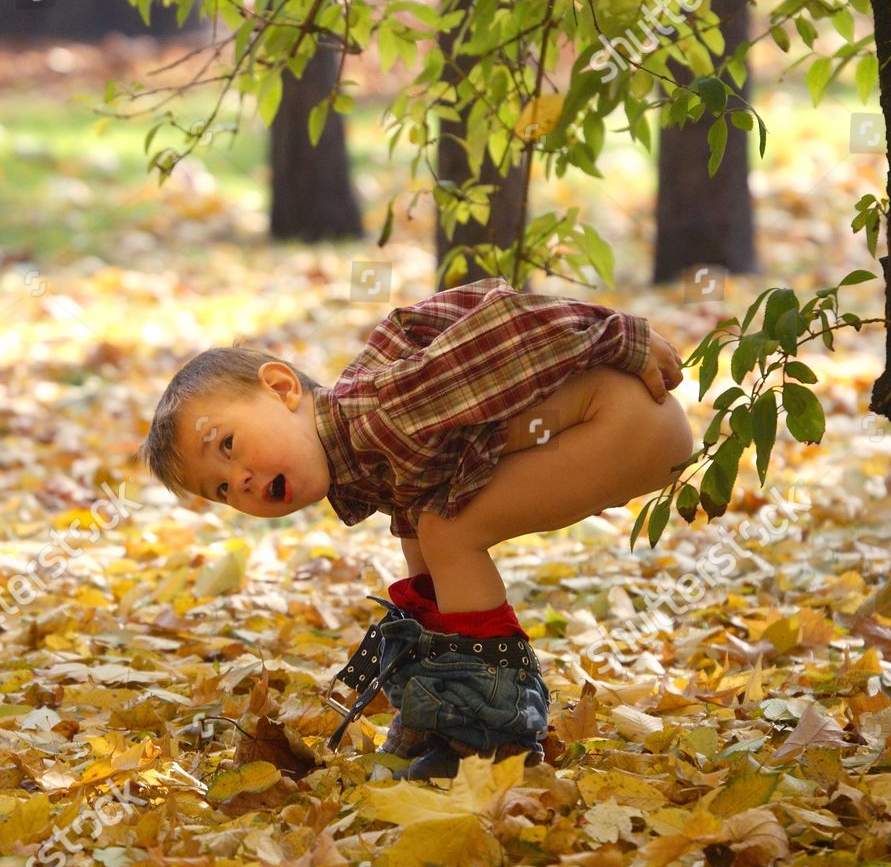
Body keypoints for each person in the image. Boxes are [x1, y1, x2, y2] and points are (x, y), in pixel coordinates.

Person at [134, 277, 693, 778]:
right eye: (224, 490)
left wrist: (623, 337)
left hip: (628, 418)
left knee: (447, 531)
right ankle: (441, 706)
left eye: (228, 445)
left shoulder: (385, 411)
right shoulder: (366, 458)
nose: (244, 481)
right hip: (607, 425)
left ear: (282, 390)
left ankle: (491, 736)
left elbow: (507, 328)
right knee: (422, 541)